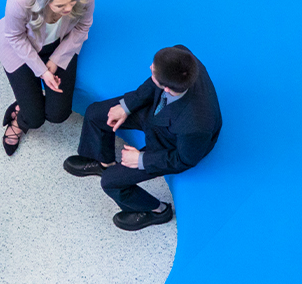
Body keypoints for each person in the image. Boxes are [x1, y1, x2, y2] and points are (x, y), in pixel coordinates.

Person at [62, 45, 222, 231]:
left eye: (153, 70)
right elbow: (153, 83)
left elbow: (183, 159)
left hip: (172, 142)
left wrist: (140, 160)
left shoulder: (196, 125)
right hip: (157, 112)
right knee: (95, 113)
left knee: (110, 181)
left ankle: (158, 211)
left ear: (168, 88)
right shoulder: (181, 56)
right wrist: (127, 106)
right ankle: (103, 161)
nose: (150, 68)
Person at [0, 0, 96, 156]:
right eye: (60, 6)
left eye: (72, 1)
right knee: (34, 119)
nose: (69, 9)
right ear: (45, 0)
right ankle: (20, 117)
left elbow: (83, 26)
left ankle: (26, 103)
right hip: (21, 48)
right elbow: (15, 37)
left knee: (58, 115)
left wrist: (56, 60)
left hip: (60, 45)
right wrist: (42, 71)